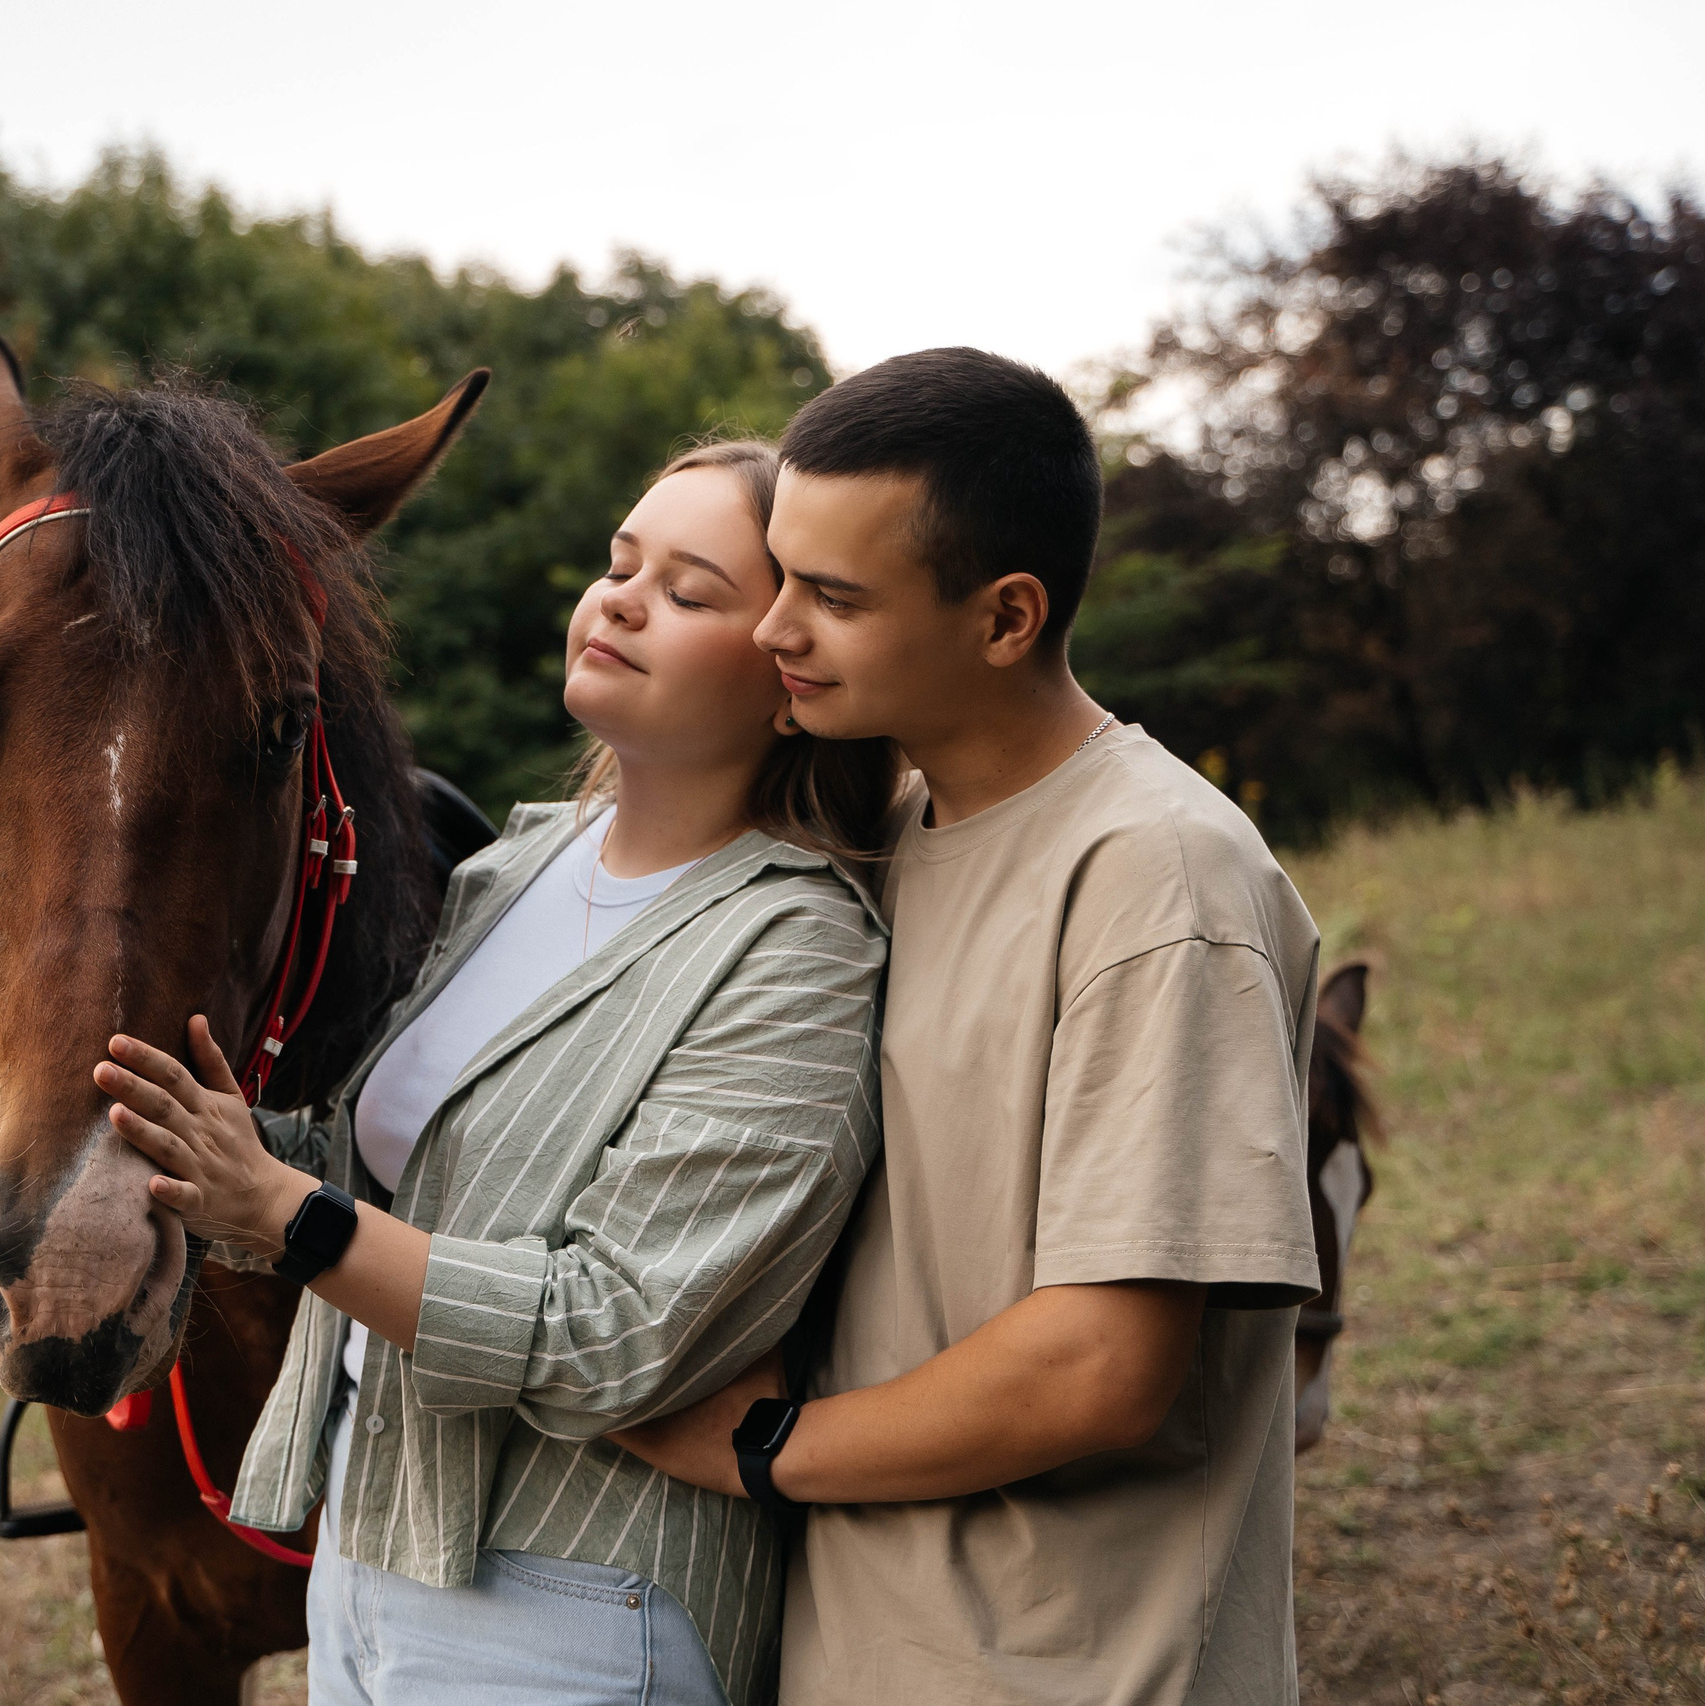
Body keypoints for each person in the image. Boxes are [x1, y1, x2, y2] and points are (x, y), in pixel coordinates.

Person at [90, 441, 899, 1705]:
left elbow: (621, 1328)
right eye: (618, 564)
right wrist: (208, 1147)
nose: (620, 598)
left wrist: (288, 1214)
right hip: (371, 1547)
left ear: (789, 677)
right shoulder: (513, 870)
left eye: (688, 592)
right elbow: (403, 1187)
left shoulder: (796, 947)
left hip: (576, 1599)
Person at [611, 350, 1322, 1705]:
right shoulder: (881, 834)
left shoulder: (1158, 877)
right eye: (781, 576)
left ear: (1006, 618)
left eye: (834, 597)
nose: (774, 629)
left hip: (1081, 1666)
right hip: (862, 1652)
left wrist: (762, 1445)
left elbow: (1100, 1363)